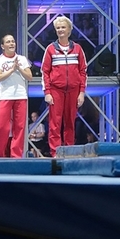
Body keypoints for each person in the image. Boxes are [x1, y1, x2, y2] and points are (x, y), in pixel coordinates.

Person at [41, 16, 87, 157]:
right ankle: (55, 153)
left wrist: (82, 92)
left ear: (69, 30)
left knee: (70, 123)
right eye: (58, 28)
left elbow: (83, 71)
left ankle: (69, 151)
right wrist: (47, 92)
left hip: (73, 91)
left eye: (63, 27)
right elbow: (45, 72)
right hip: (56, 90)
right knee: (55, 124)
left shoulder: (78, 49)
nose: (60, 30)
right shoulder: (50, 49)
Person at [0, 34, 33, 158]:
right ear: (2, 46)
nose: (11, 43)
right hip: (5, 96)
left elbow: (29, 77)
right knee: (1, 126)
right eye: (8, 42)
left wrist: (19, 68)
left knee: (19, 127)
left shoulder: (22, 59)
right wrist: (11, 70)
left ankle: (16, 155)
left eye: (13, 41)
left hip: (20, 96)